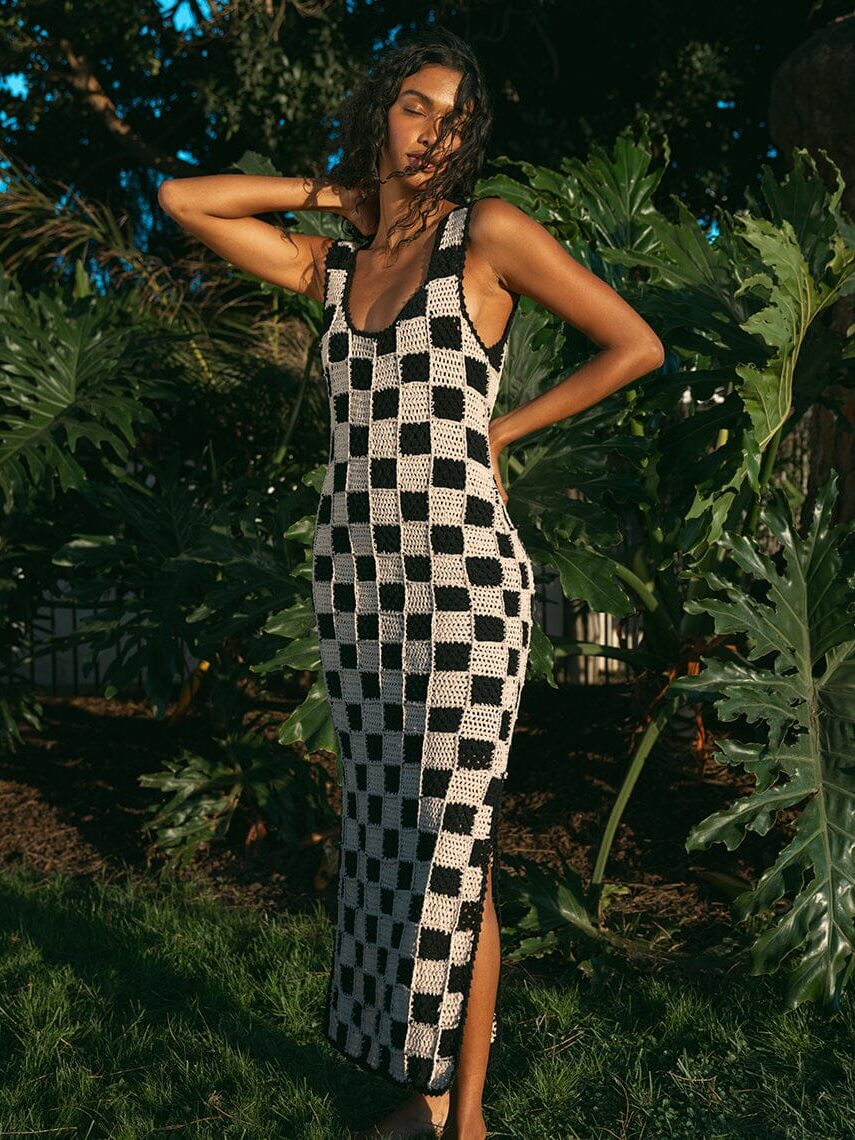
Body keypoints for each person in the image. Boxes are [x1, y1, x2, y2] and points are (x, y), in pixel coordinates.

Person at [158, 25, 664, 1140]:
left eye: (453, 116)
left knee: (455, 837)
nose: (435, 131)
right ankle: (429, 1094)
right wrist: (334, 195)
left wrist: (503, 431)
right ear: (380, 111)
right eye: (414, 107)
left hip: (466, 586)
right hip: (357, 587)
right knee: (397, 838)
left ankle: (467, 1121)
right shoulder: (332, 266)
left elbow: (635, 344)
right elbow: (182, 198)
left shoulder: (489, 236)